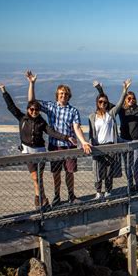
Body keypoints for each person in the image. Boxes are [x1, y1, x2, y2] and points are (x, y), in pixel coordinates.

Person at [0, 83, 77, 208]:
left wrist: (66, 138)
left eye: (36, 110)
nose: (34, 112)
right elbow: (11, 107)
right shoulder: (22, 118)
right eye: (31, 109)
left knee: (39, 177)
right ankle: (41, 198)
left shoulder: (41, 122)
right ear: (28, 109)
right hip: (27, 151)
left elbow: (52, 132)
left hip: (40, 151)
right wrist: (4, 91)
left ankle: (40, 200)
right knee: (35, 177)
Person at [26, 70, 92, 205]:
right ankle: (57, 197)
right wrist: (32, 84)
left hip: (69, 146)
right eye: (61, 93)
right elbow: (31, 101)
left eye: (66, 94)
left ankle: (71, 196)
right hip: (54, 145)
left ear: (69, 96)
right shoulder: (51, 107)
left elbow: (76, 128)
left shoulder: (73, 111)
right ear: (57, 95)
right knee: (56, 173)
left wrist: (84, 142)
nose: (63, 95)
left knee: (69, 173)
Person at [89, 79, 131, 199]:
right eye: (101, 102)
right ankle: (98, 192)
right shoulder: (92, 117)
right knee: (98, 170)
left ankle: (108, 191)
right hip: (98, 146)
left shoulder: (110, 114)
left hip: (111, 145)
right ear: (97, 103)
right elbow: (92, 133)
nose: (103, 104)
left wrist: (125, 90)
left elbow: (119, 104)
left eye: (105, 102)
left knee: (109, 170)